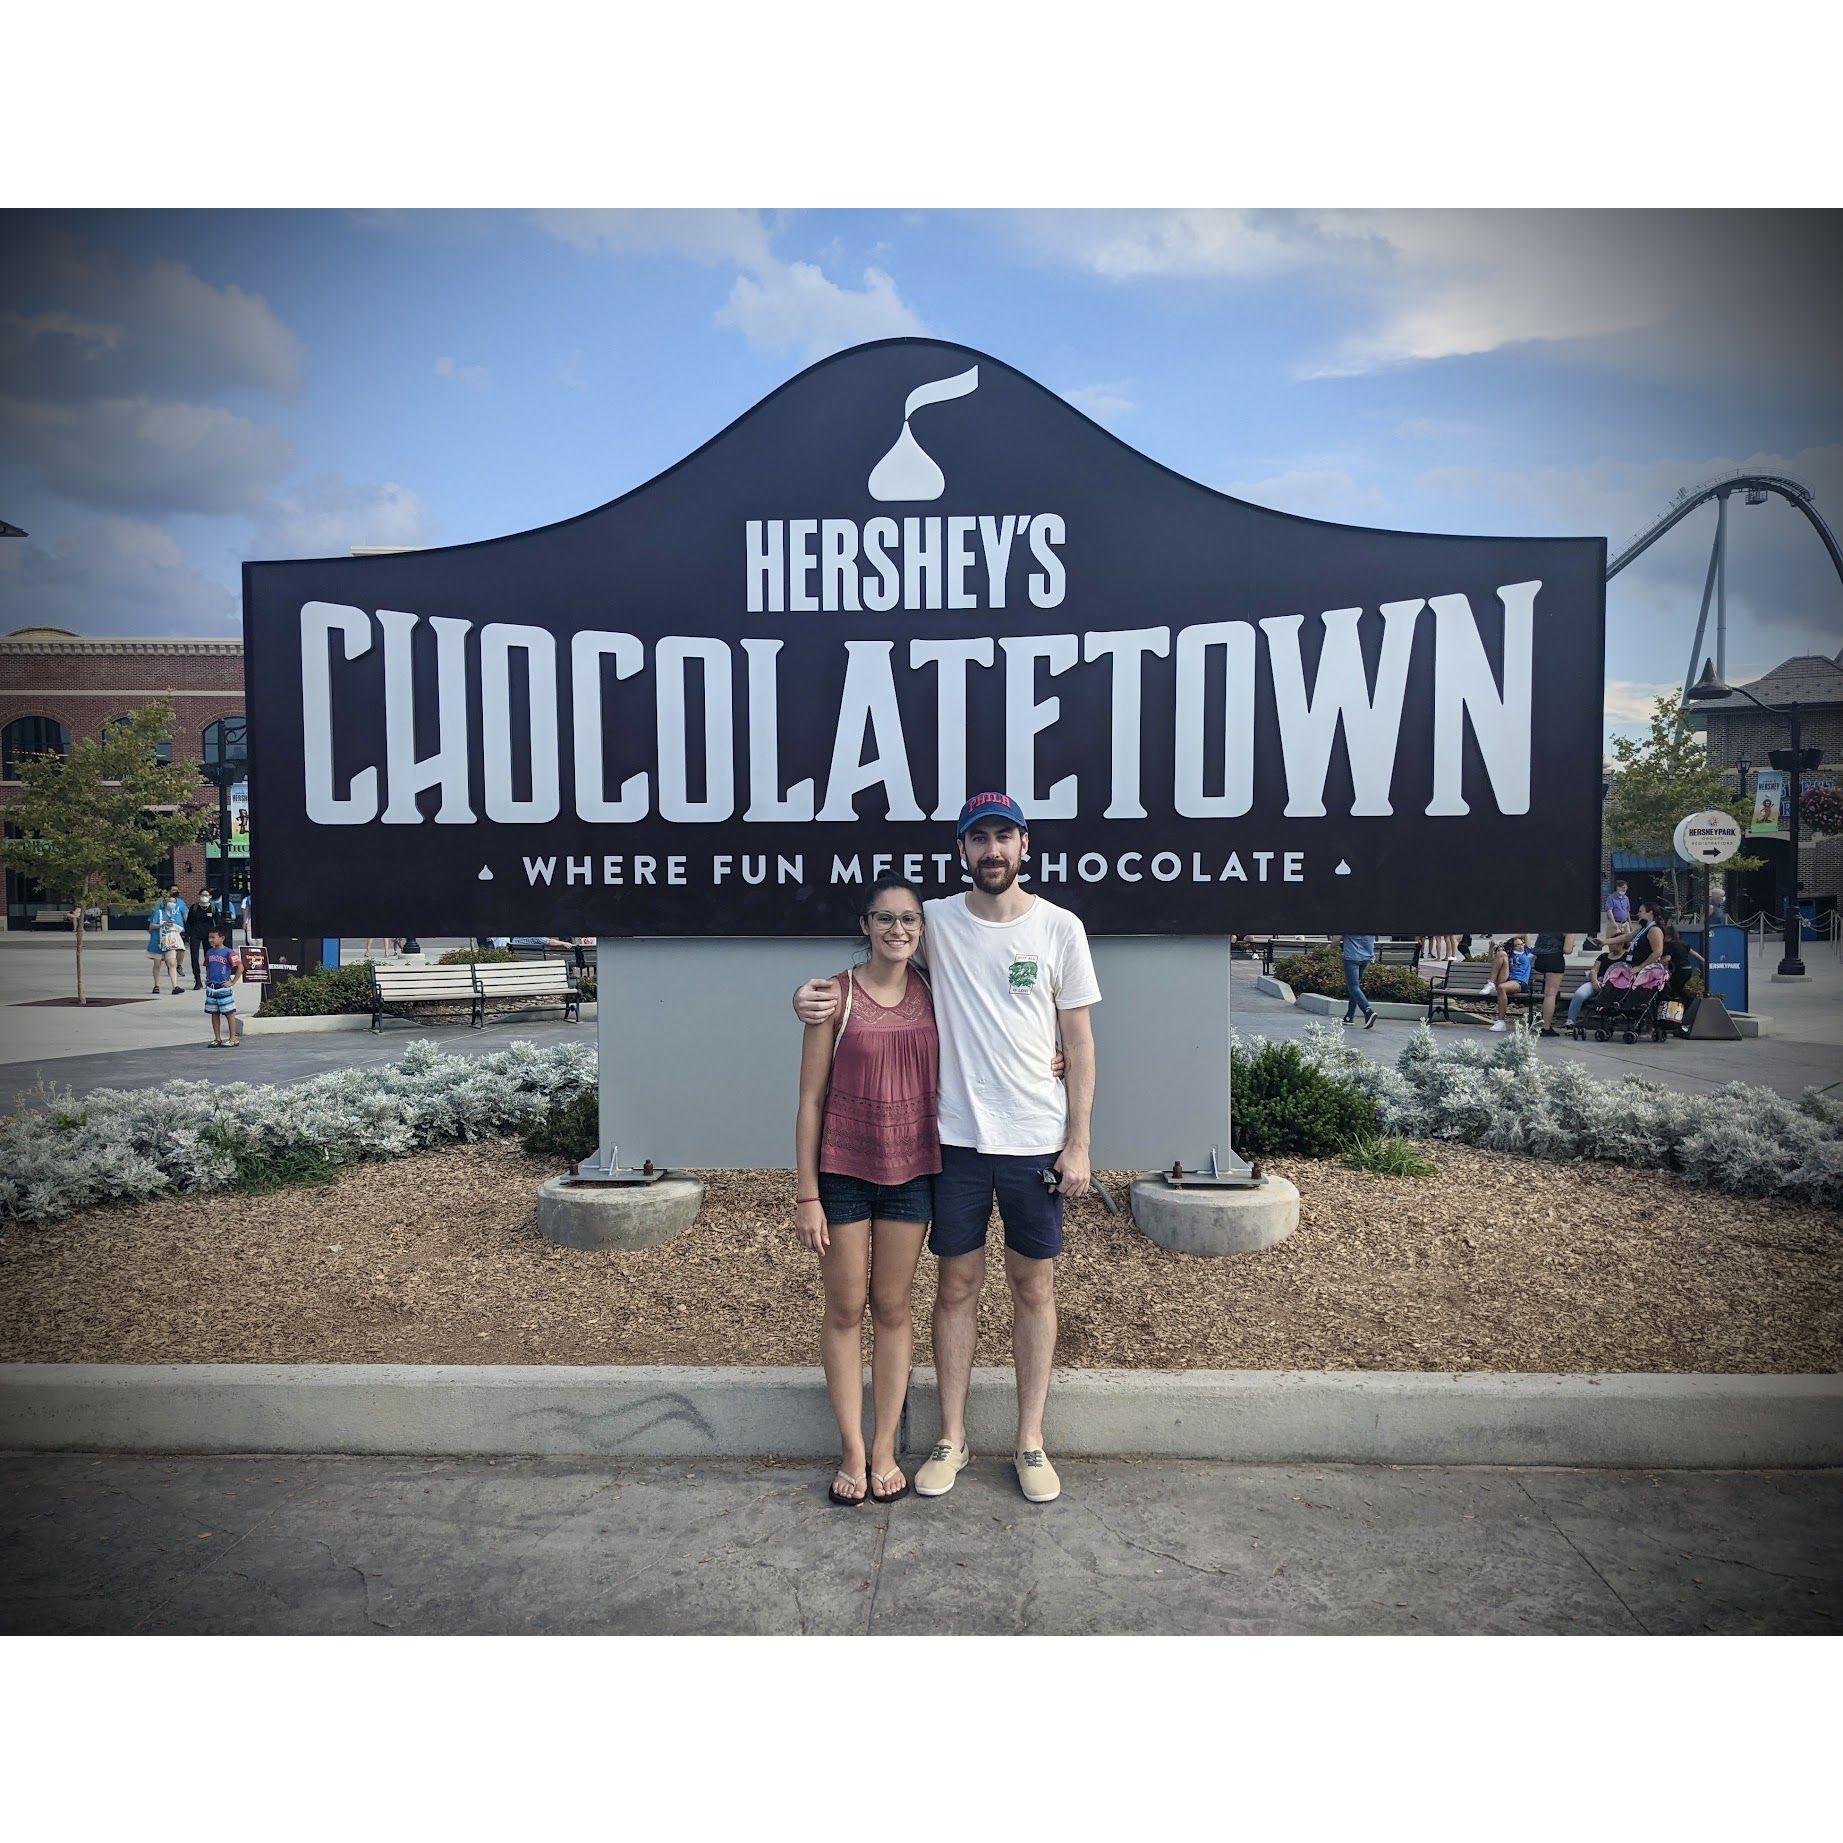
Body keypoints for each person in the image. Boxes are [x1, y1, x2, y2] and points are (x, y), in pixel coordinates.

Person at [794, 793, 1099, 1507]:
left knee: (1033, 1288)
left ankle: (1030, 1441)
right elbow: (875, 969)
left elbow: (1079, 1043)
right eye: (978, 838)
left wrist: (1079, 1142)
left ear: (1024, 845)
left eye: (1003, 836)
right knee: (955, 1288)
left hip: (1035, 1141)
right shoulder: (936, 922)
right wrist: (807, 999)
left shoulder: (1060, 927)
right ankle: (951, 1438)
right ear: (962, 850)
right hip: (954, 1141)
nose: (992, 850)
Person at [794, 879, 940, 1508]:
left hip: (913, 1170)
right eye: (884, 918)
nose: (897, 930)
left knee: (894, 1307)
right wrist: (807, 1194)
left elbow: (995, 1034)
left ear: (922, 929)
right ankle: (853, 1448)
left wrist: (1052, 1058)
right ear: (865, 925)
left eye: (908, 919)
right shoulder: (835, 996)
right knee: (845, 1308)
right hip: (843, 1173)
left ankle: (886, 1447)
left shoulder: (936, 992)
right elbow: (810, 1100)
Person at [203, 924, 243, 1047]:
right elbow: (207, 966)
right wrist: (208, 978)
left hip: (223, 988)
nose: (210, 940)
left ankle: (233, 1038)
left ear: (222, 938)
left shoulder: (229, 952)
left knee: (229, 1013)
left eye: (213, 937)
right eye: (209, 937)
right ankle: (217, 1038)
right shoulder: (209, 952)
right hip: (212, 988)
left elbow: (240, 967)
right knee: (214, 1013)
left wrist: (233, 981)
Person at [1531, 929, 1578, 1037]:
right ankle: (1546, 1027)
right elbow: (1567, 950)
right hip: (1554, 959)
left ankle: (1543, 1023)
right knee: (1551, 994)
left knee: (1547, 994)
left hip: (1540, 959)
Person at [1482, 934, 1532, 1032]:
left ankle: (1500, 1022)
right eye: (1518, 945)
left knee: (1501, 988)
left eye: (1522, 944)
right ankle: (1491, 983)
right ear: (1513, 947)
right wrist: (1491, 948)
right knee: (1501, 954)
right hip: (1506, 978)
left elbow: (1526, 934)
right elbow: (1491, 962)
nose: (1521, 946)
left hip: (1519, 981)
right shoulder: (1509, 954)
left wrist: (1507, 940)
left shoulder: (1526, 952)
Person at [146, 888, 187, 995]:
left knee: (172, 963)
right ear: (165, 903)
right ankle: (156, 985)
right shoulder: (158, 913)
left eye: (174, 902)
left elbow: (180, 927)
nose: (172, 904)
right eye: (170, 902)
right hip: (157, 941)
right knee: (157, 964)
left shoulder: (175, 914)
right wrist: (162, 925)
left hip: (170, 942)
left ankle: (175, 986)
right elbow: (150, 927)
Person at [1340, 932, 1377, 1028]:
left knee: (1353, 987)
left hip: (1351, 956)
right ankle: (1349, 1016)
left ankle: (1368, 1011)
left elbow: (1336, 937)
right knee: (1356, 987)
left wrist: (1330, 947)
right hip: (1366, 956)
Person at [184, 889, 217, 990]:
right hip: (195, 934)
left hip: (208, 935)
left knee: (209, 957)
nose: (204, 897)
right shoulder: (194, 908)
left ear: (210, 897)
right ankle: (197, 980)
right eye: (202, 895)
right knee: (194, 957)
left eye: (206, 895)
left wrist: (217, 935)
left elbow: (218, 921)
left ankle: (209, 978)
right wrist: (187, 936)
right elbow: (189, 922)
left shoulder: (212, 908)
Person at [1602, 878, 1631, 944]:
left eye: (1626, 888)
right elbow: (1609, 911)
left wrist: (1630, 923)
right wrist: (1613, 923)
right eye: (1623, 887)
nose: (1625, 889)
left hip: (1625, 924)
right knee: (1614, 942)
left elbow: (1627, 911)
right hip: (1616, 923)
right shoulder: (1611, 898)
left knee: (1627, 942)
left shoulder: (1626, 898)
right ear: (1618, 887)